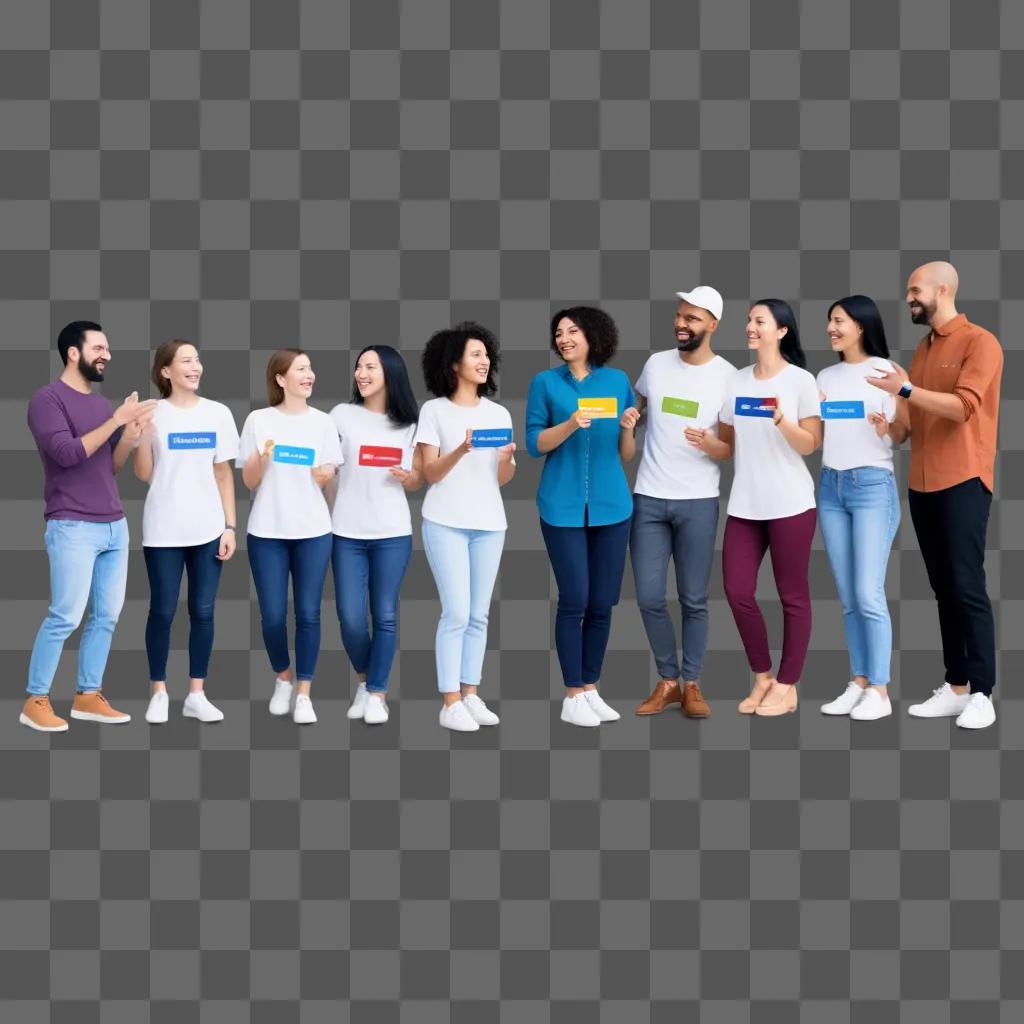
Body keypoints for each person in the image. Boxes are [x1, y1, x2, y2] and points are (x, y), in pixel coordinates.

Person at [868, 261, 1003, 729]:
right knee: (943, 590)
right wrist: (892, 424)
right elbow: (910, 427)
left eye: (915, 290)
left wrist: (905, 387)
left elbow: (965, 407)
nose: (909, 298)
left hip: (964, 480)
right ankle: (957, 685)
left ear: (942, 290)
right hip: (921, 485)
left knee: (967, 587)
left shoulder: (980, 342)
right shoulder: (922, 350)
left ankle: (983, 692)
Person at [22, 321, 157, 731]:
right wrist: (117, 419)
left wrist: (130, 436)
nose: (107, 355)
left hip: (114, 525)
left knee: (107, 617)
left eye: (108, 348)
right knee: (65, 615)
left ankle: (87, 695)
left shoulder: (100, 406)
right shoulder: (46, 400)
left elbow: (109, 468)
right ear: (73, 353)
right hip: (72, 525)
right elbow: (66, 454)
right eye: (99, 347)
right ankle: (36, 700)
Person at [525, 306, 638, 727]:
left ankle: (591, 688)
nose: (564, 338)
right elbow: (535, 444)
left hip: (613, 507)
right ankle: (572, 693)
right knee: (574, 599)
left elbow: (625, 454)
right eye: (558, 332)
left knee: (603, 602)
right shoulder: (546, 383)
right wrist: (572, 423)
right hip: (562, 507)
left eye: (573, 331)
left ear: (594, 335)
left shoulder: (617, 382)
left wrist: (628, 427)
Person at [630, 286, 736, 720]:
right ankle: (668, 680)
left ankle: (691, 683)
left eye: (692, 318)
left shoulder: (730, 376)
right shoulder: (655, 364)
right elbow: (637, 409)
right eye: (679, 315)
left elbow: (729, 449)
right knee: (649, 596)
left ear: (712, 324)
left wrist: (711, 444)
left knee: (694, 599)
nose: (682, 324)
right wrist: (628, 420)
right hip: (649, 499)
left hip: (698, 501)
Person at [718, 300, 822, 716]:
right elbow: (725, 444)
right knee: (736, 590)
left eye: (759, 321)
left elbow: (810, 445)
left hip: (791, 503)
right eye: (748, 320)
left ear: (781, 331)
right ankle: (763, 677)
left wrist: (781, 419)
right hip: (745, 504)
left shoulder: (801, 381)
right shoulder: (736, 381)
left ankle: (788, 683)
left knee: (792, 595)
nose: (749, 327)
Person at [416, 322, 516, 732]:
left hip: (490, 523)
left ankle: (471, 694)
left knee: (478, 615)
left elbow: (502, 478)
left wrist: (507, 457)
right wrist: (463, 447)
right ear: (454, 363)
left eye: (486, 354)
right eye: (475, 354)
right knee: (455, 612)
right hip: (445, 522)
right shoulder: (434, 411)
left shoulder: (499, 413)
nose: (484, 361)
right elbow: (430, 474)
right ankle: (449, 701)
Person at [134, 339, 239, 725]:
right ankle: (159, 691)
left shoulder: (218, 413)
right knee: (162, 611)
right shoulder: (152, 413)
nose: (196, 367)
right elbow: (144, 474)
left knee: (204, 611)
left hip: (209, 529)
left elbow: (223, 472)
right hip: (163, 529)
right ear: (166, 371)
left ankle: (196, 693)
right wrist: (142, 436)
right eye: (186, 361)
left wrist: (230, 526)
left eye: (198, 359)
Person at [238, 349, 342, 725]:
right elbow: (248, 481)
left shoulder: (324, 423)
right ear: (280, 379)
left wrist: (328, 473)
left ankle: (304, 693)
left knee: (310, 613)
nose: (309, 374)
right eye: (301, 369)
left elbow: (331, 476)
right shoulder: (258, 420)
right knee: (271, 615)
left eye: (311, 368)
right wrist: (262, 461)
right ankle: (282, 676)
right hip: (267, 531)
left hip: (314, 531)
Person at [815, 297, 906, 721]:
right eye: (830, 322)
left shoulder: (886, 371)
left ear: (861, 326)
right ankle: (859, 681)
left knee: (869, 593)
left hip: (872, 486)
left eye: (839, 321)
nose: (831, 328)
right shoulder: (825, 375)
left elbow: (903, 434)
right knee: (850, 597)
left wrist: (888, 427)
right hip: (831, 487)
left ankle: (881, 691)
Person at [329, 345, 422, 727]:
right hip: (345, 531)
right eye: (359, 367)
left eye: (371, 367)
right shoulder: (340, 415)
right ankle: (366, 682)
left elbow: (417, 480)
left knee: (384, 614)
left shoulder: (410, 424)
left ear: (391, 373)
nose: (361, 373)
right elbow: (327, 469)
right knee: (350, 616)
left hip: (392, 531)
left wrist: (408, 477)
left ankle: (377, 694)